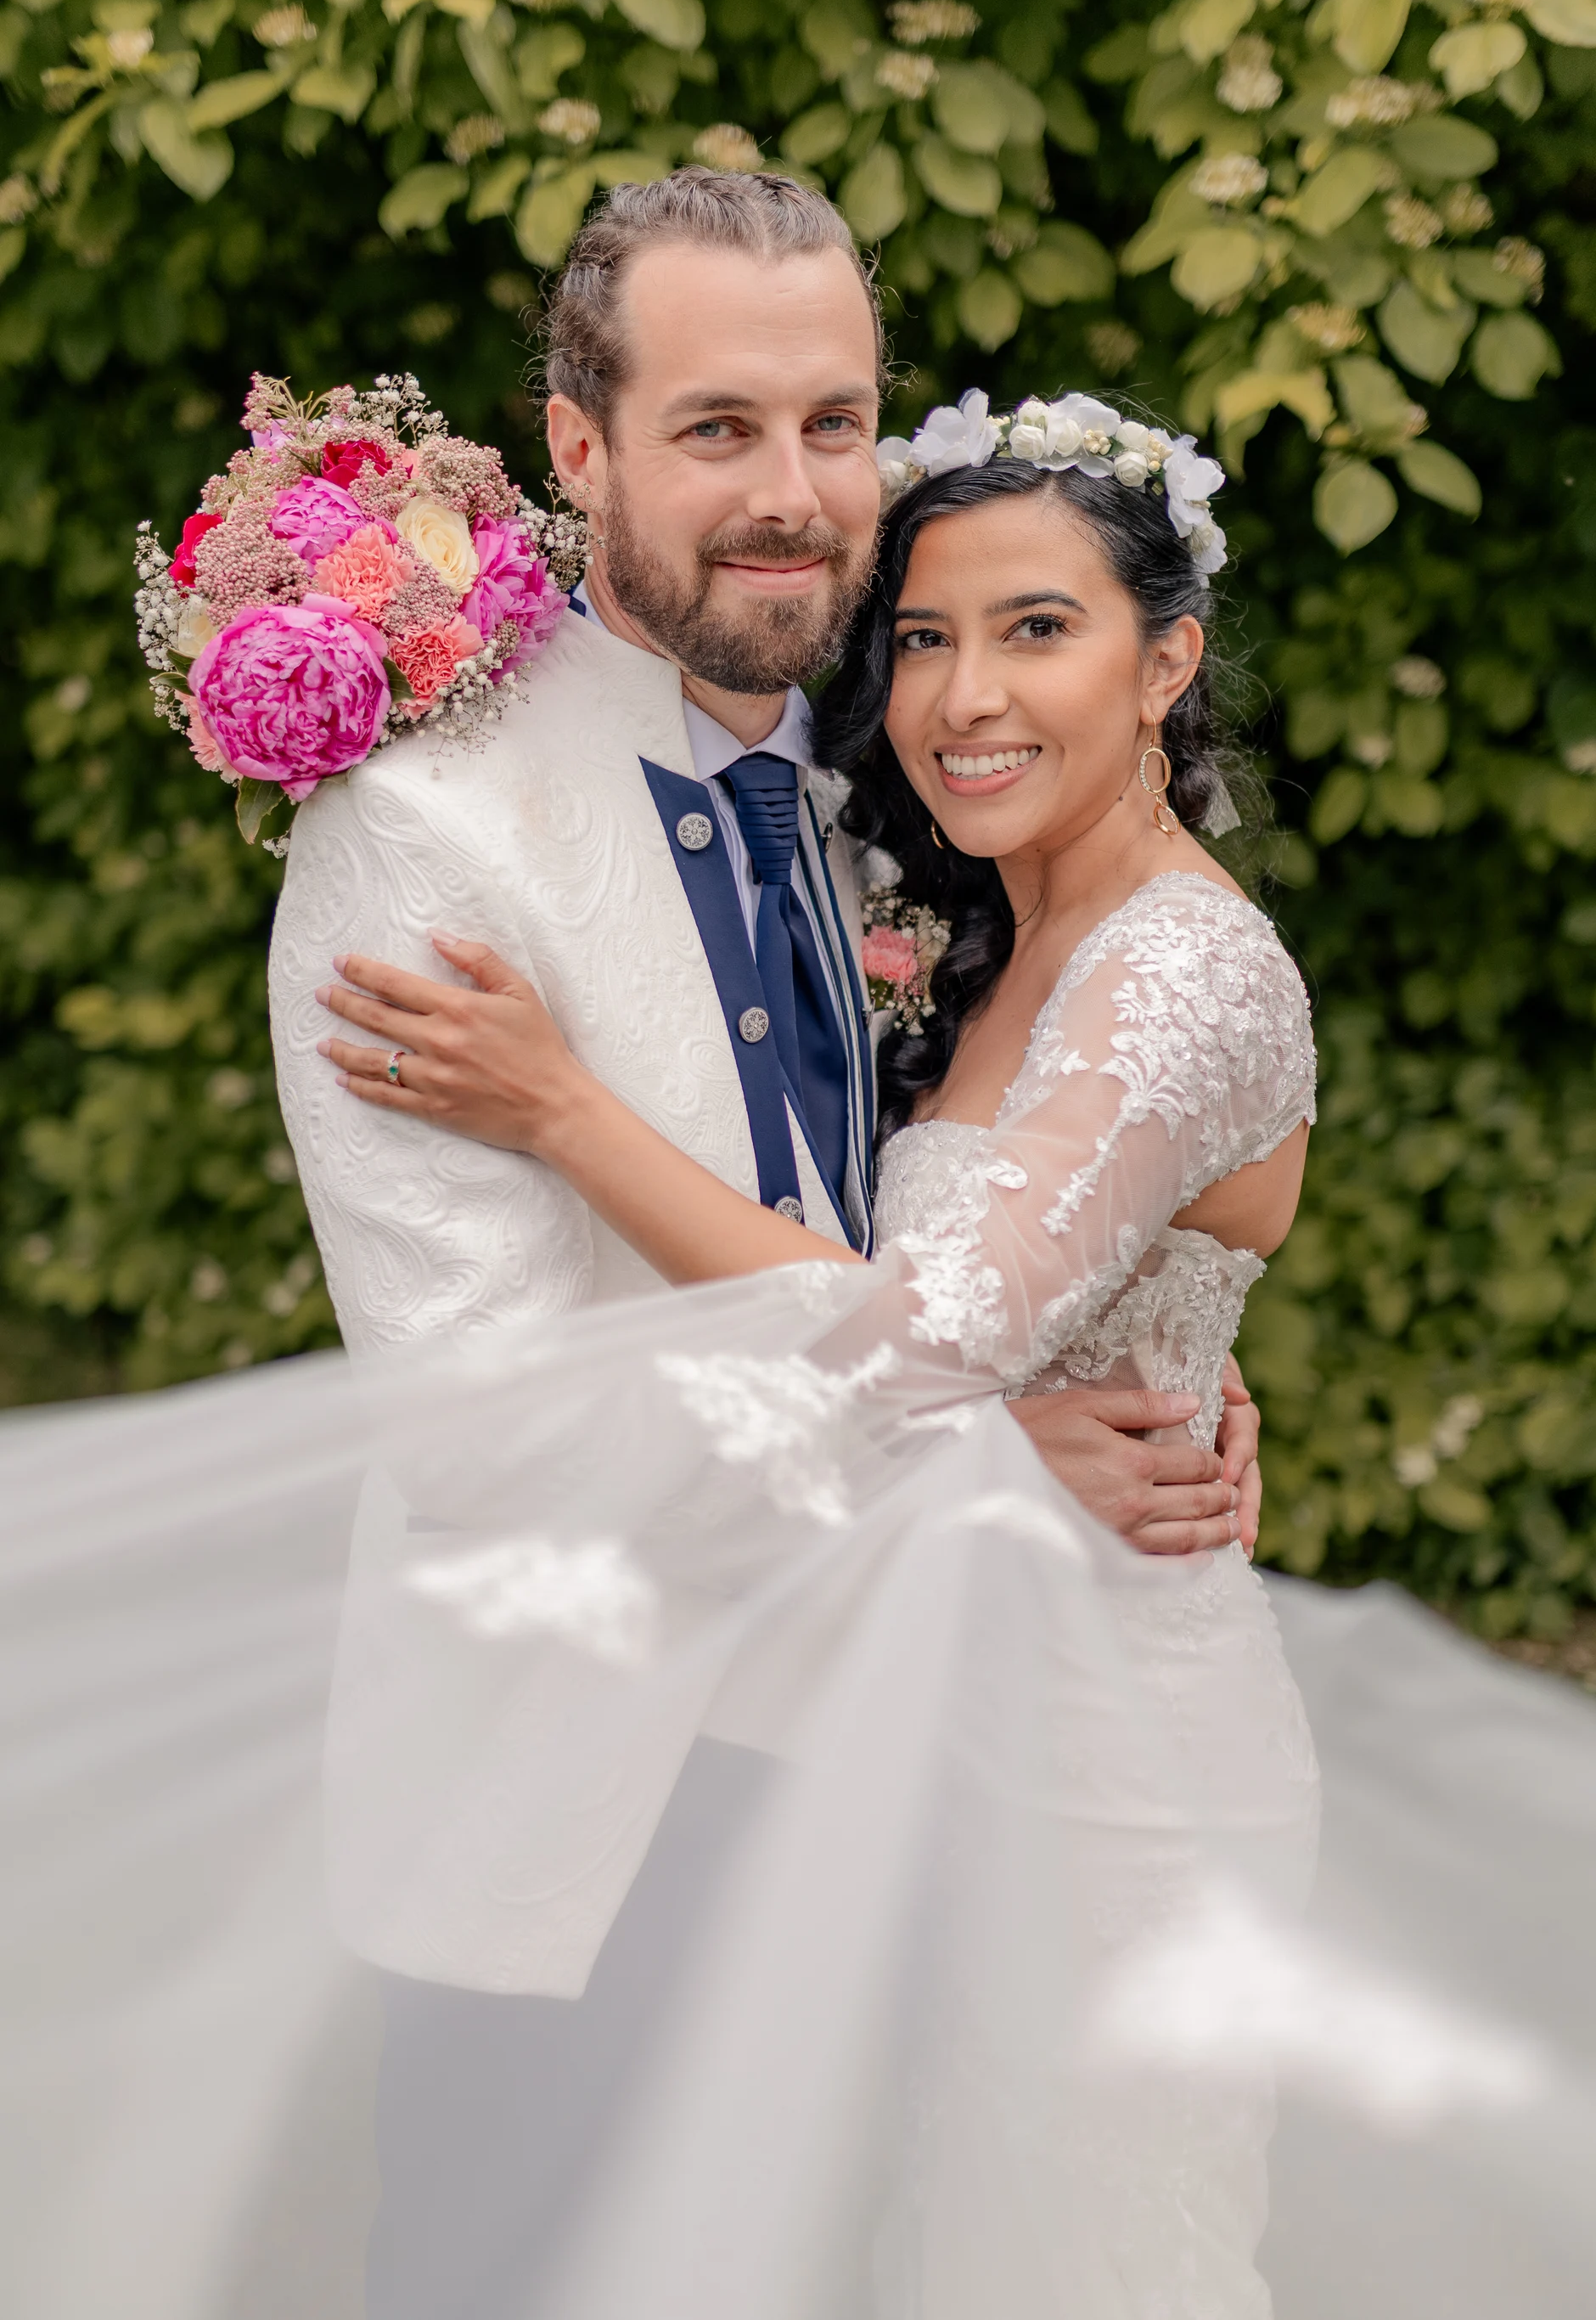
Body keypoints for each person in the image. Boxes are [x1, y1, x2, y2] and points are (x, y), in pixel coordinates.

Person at [312, 386, 1322, 2310]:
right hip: (927, 1728)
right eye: (924, 638)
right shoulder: (986, 932)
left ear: (1166, 662)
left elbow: (930, 1340)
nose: (965, 696)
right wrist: (1079, 1397)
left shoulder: (1186, 968)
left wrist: (562, 1111)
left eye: (1039, 630)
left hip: (1110, 1759)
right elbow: (996, 1290)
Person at [269, 168, 1262, 1557]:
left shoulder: (905, 786)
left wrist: (1134, 1336)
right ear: (580, 448)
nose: (790, 497)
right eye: (719, 429)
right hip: (585, 1680)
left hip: (931, 1660)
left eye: (832, 424)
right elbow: (481, 1440)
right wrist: (977, 1454)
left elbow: (979, 1217)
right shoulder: (422, 827)